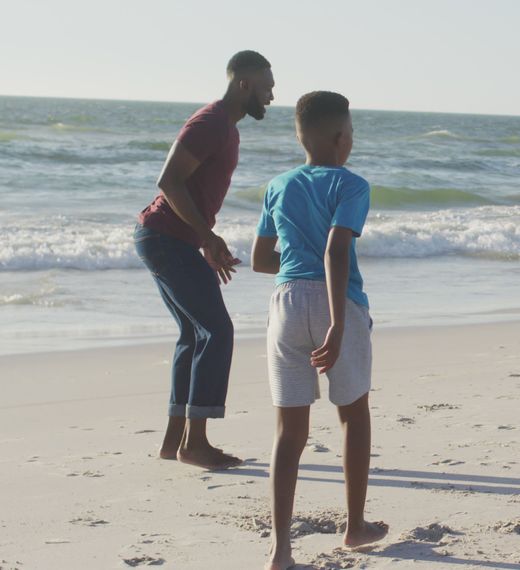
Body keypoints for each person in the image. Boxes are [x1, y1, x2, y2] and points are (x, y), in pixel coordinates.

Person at [251, 91, 388, 570]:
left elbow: (260, 260)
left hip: (286, 303)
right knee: (353, 414)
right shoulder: (352, 185)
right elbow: (335, 251)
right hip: (338, 303)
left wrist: (298, 267)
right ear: (340, 138)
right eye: (350, 134)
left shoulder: (278, 184)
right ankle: (354, 527)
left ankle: (280, 550)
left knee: (289, 432)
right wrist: (334, 321)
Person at [133, 50, 274, 469]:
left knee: (195, 335)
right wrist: (205, 236)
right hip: (165, 238)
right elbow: (168, 181)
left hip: (171, 239)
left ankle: (174, 441)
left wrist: (206, 241)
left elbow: (190, 189)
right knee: (217, 331)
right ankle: (195, 443)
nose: (271, 94)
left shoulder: (226, 127)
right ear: (244, 83)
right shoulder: (210, 122)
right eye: (267, 85)